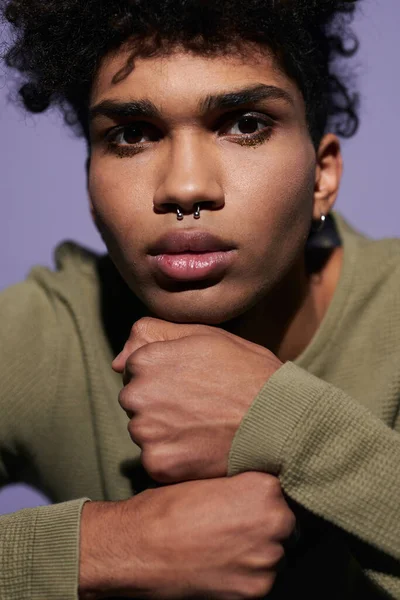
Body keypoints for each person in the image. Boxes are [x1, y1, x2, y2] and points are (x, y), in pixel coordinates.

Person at [0, 0, 399, 598]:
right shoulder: (46, 336)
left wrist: (286, 424)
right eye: (133, 134)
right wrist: (107, 546)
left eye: (244, 124)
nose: (185, 187)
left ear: (322, 175)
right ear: (89, 185)